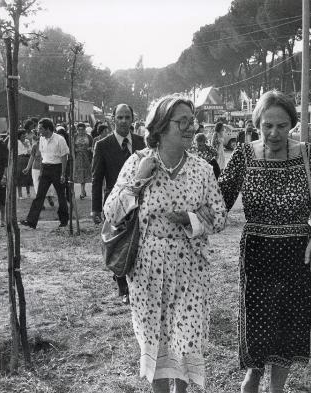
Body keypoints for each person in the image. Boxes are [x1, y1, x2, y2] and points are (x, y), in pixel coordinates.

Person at [218, 90, 311, 393]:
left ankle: (277, 388)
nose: (274, 133)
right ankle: (252, 376)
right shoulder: (244, 155)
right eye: (267, 126)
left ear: (292, 125)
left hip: (297, 254)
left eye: (282, 125)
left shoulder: (306, 153)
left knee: (288, 325)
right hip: (257, 253)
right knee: (257, 323)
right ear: (256, 124)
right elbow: (218, 199)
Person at [103, 96, 226, 392]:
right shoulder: (138, 162)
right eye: (181, 121)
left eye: (191, 120)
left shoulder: (202, 170)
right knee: (155, 342)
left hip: (191, 269)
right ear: (161, 126)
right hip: (147, 270)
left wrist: (190, 218)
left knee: (186, 342)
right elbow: (112, 213)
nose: (189, 127)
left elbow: (220, 217)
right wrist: (138, 183)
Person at [92, 104, 146, 304]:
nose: (124, 121)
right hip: (115, 205)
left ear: (132, 119)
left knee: (137, 243)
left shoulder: (143, 143)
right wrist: (95, 208)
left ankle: (137, 285)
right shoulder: (103, 145)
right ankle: (123, 287)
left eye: (127, 117)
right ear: (113, 119)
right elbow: (97, 178)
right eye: (120, 117)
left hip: (140, 203)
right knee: (118, 243)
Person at [20, 118, 69, 229]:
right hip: (46, 169)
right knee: (39, 196)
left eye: (40, 128)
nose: (38, 130)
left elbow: (64, 157)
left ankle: (64, 220)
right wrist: (40, 171)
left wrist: (63, 173)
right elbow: (42, 156)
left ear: (48, 128)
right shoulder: (41, 139)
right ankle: (31, 221)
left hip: (57, 168)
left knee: (61, 196)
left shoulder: (59, 139)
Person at [73, 122, 93, 199]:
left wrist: (89, 149)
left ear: (85, 129)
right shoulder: (74, 137)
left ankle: (83, 190)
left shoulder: (89, 137)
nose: (81, 131)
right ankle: (82, 191)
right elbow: (72, 147)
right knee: (80, 174)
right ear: (77, 130)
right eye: (79, 129)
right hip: (78, 158)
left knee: (85, 174)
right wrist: (75, 149)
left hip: (87, 157)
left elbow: (92, 146)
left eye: (82, 129)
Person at [16, 129, 32, 199]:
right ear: (19, 135)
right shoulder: (16, 142)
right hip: (19, 159)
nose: (24, 136)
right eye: (23, 134)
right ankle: (20, 195)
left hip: (27, 158)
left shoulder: (27, 141)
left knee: (27, 176)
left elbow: (30, 151)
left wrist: (27, 146)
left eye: (24, 134)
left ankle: (28, 193)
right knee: (19, 176)